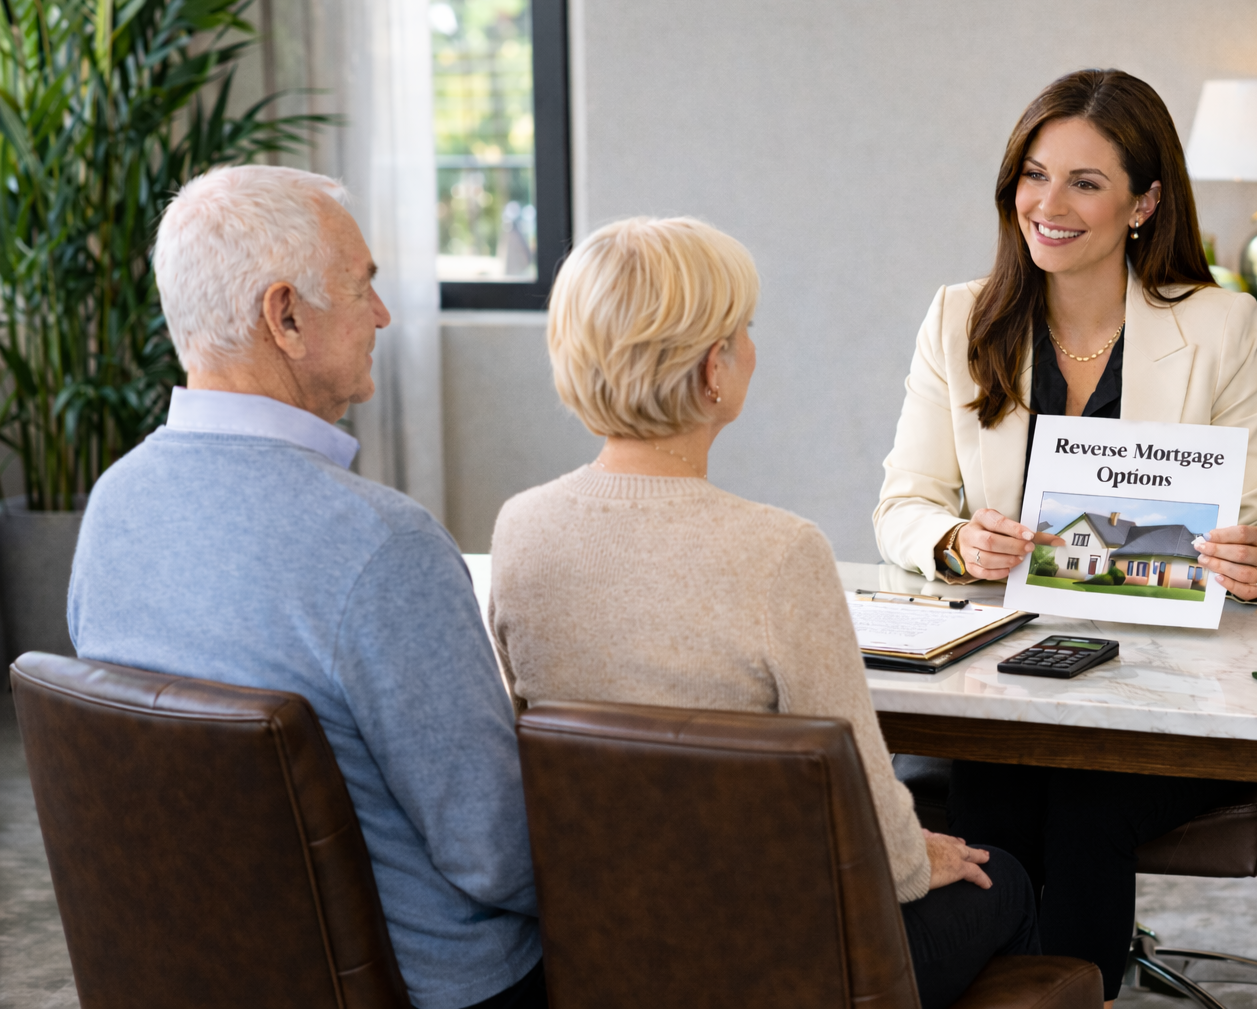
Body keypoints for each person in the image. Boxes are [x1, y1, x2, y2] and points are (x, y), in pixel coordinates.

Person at [490, 216, 1041, 1009]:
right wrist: (920, 856)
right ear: (716, 370)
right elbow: (865, 811)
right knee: (1007, 880)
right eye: (743, 331)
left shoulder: (521, 529)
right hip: (787, 957)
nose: (751, 348)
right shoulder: (779, 551)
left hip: (607, 939)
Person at [871, 69, 1257, 1005]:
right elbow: (903, 506)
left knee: (1085, 795)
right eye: (1034, 175)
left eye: (1085, 182)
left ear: (1145, 202)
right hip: (1017, 670)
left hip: (1170, 688)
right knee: (1003, 774)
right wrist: (957, 544)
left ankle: (1081, 992)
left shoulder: (1218, 323)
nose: (1048, 204)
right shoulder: (960, 320)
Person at [68, 166, 543, 1009]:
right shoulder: (381, 544)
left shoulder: (115, 506)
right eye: (364, 286)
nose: (384, 315)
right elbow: (499, 856)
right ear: (285, 315)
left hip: (203, 973)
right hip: (430, 991)